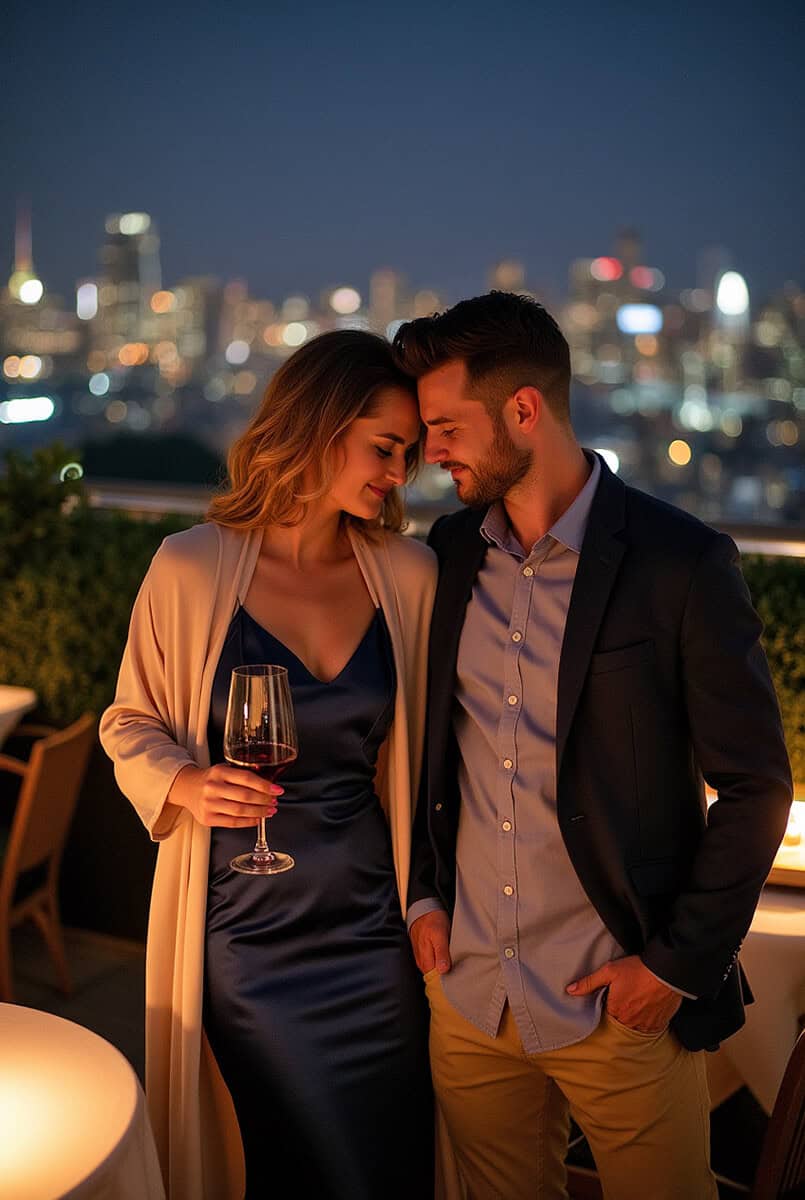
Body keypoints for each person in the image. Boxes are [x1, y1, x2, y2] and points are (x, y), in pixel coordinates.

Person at [392, 292, 793, 1200]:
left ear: (522, 409)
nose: (430, 451)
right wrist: (422, 897)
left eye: (447, 427)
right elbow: (426, 743)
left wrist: (671, 969)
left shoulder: (680, 562)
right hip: (468, 997)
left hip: (620, 1007)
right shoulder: (447, 552)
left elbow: (755, 786)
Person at [100, 330, 439, 1200]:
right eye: (384, 447)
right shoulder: (190, 567)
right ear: (322, 426)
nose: (399, 473)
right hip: (246, 936)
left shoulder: (410, 576)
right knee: (306, 1161)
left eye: (408, 454)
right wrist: (183, 782)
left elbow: (440, 757)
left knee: (391, 1162)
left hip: (375, 930)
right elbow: (127, 720)